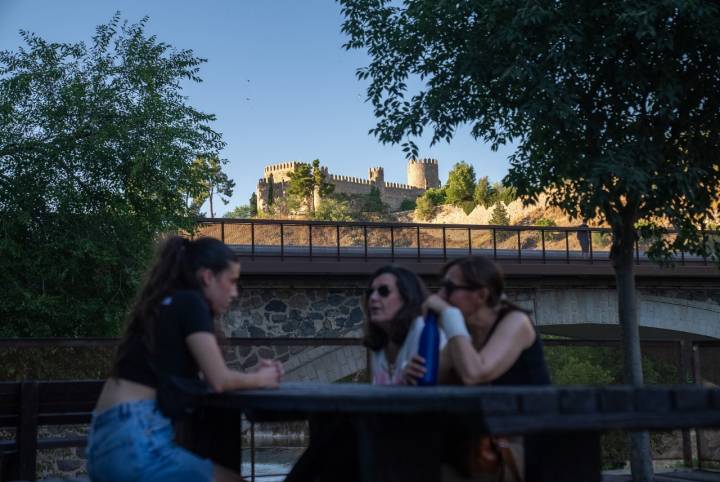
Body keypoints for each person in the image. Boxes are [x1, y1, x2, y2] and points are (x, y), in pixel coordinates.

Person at [86, 236, 283, 482]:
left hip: (108, 443)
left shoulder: (166, 304)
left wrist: (249, 377)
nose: (235, 292)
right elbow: (219, 380)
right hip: (136, 441)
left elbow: (199, 378)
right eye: (231, 281)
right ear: (207, 277)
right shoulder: (191, 302)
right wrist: (263, 378)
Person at [422, 255, 551, 482]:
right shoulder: (466, 330)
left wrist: (451, 319)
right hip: (477, 446)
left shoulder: (515, 322)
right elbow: (431, 378)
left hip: (521, 448)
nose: (441, 296)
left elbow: (475, 373)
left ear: (481, 295)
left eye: (450, 287)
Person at [363, 265, 446, 385]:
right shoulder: (379, 342)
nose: (373, 298)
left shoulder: (423, 331)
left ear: (407, 297)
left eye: (384, 291)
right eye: (370, 292)